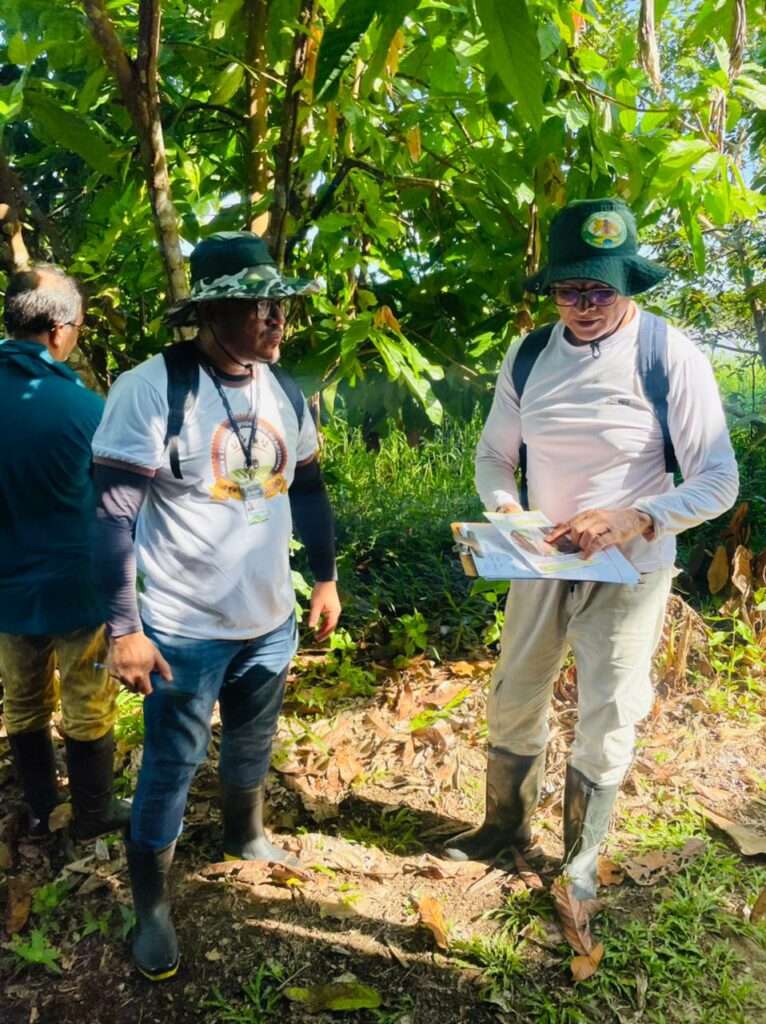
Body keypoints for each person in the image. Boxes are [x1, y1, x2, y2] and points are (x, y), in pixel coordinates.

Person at [444, 198, 738, 901]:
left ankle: (579, 855)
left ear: (628, 283)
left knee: (610, 706)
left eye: (600, 289)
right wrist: (509, 510)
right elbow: (493, 456)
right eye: (569, 289)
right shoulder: (531, 353)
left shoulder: (669, 355)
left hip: (630, 567)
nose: (583, 304)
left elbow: (718, 479)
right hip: (542, 558)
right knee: (515, 692)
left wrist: (637, 516)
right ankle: (503, 829)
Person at [91, 232, 341, 981]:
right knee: (171, 763)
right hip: (183, 628)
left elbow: (310, 488)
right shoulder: (153, 387)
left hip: (268, 621)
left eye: (279, 305)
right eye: (254, 306)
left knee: (252, 743)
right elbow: (110, 515)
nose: (274, 319)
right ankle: (153, 909)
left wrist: (324, 579)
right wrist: (124, 629)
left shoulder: (283, 389)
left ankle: (246, 835)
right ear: (208, 312)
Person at [0, 265, 131, 840]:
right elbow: (116, 506)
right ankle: (91, 819)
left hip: (6, 590)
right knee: (86, 702)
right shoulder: (85, 410)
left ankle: (38, 806)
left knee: (22, 700)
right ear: (58, 330)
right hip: (77, 587)